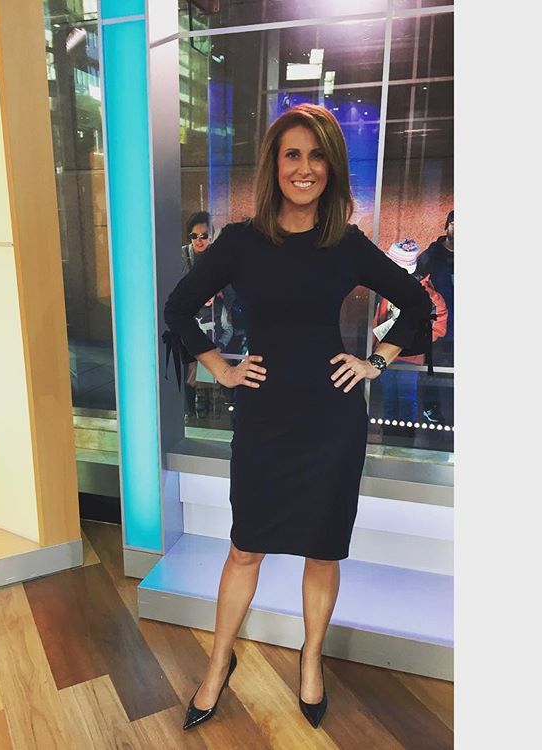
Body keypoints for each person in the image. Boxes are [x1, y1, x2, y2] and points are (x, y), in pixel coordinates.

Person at [162, 103, 431, 731]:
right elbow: (178, 308)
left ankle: (311, 660)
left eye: (316, 156)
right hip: (264, 416)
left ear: (330, 168)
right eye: (292, 154)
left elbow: (417, 307)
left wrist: (376, 361)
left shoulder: (347, 244)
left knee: (322, 550)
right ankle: (218, 663)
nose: (304, 168)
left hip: (331, 419)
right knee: (245, 548)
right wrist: (220, 367)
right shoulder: (241, 242)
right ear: (274, 165)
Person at [372, 238, 448, 430]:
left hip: (406, 355)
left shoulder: (425, 293)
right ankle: (392, 430)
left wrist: (420, 338)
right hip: (388, 352)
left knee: (405, 398)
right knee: (391, 397)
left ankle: (404, 432)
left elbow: (440, 321)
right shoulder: (391, 288)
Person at [180, 212, 234, 417]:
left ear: (211, 236)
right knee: (192, 374)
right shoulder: (182, 258)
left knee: (212, 372)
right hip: (191, 322)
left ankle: (212, 409)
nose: (199, 240)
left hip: (215, 322)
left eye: (204, 236)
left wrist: (220, 292)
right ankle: (192, 412)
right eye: (194, 236)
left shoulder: (219, 257)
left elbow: (232, 290)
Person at [417, 209, 454, 423]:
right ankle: (431, 408)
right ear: (446, 226)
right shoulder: (431, 255)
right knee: (433, 366)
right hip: (437, 322)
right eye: (454, 223)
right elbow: (416, 283)